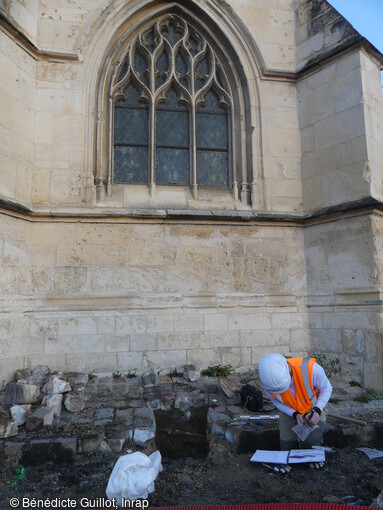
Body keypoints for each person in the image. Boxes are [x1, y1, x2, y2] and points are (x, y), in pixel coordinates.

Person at [258, 353, 332, 451]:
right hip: (289, 410)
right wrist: (295, 414)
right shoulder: (268, 382)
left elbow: (326, 389)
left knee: (311, 444)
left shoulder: (311, 369)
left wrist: (317, 410)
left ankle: (314, 451)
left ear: (288, 372)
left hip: (313, 407)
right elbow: (276, 402)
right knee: (287, 449)